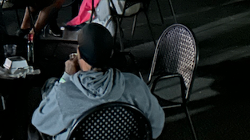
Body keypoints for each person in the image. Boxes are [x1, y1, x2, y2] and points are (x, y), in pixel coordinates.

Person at [31, 23, 164, 140]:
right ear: (111, 54)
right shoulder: (135, 84)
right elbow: (156, 126)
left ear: (79, 53)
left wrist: (65, 78)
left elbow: (40, 122)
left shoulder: (65, 93)